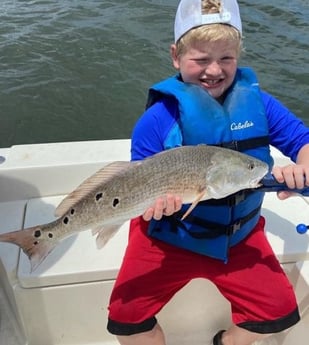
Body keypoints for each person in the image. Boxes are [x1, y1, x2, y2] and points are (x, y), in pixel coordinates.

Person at [107, 0, 309, 344]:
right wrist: (155, 204)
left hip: (239, 235)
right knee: (125, 318)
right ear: (175, 56)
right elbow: (137, 180)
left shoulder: (260, 104)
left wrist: (302, 168)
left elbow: (301, 140)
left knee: (278, 312)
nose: (213, 70)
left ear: (238, 57)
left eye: (226, 58)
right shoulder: (156, 120)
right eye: (200, 59)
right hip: (166, 235)